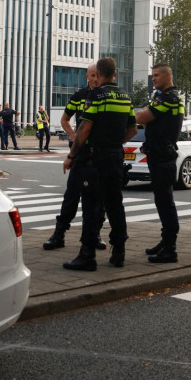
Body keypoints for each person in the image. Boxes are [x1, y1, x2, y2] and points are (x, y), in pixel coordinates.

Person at [62, 57, 136, 271]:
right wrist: (116, 142)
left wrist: (72, 156)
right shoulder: (125, 97)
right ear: (115, 74)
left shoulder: (96, 96)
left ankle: (87, 255)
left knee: (91, 206)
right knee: (115, 205)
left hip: (95, 159)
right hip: (115, 158)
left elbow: (84, 129)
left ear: (100, 74)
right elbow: (132, 129)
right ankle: (119, 252)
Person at [43, 64, 106, 251]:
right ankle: (59, 233)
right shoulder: (79, 96)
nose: (95, 79)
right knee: (71, 195)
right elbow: (64, 119)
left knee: (99, 199)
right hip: (80, 154)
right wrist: (73, 135)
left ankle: (96, 234)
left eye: (98, 75)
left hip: (99, 153)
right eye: (92, 75)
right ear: (87, 76)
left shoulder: (105, 96)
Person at [135, 64, 185, 263]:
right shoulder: (162, 97)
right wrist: (149, 116)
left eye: (157, 75)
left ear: (168, 75)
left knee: (165, 202)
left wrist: (147, 115)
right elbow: (146, 118)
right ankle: (165, 241)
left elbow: (140, 117)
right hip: (159, 154)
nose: (153, 79)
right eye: (152, 75)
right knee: (162, 200)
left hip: (163, 156)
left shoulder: (168, 98)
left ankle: (170, 249)